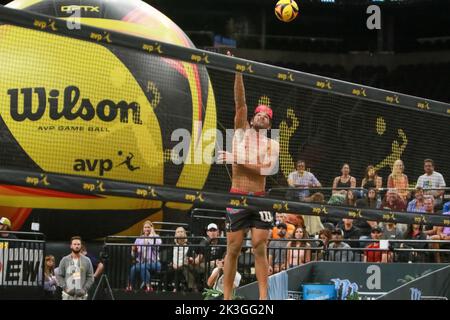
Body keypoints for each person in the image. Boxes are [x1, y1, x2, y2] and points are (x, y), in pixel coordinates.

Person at [218, 51, 279, 301]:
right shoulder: (241, 131)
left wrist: (237, 159)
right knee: (232, 248)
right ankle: (227, 299)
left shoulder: (271, 145)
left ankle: (264, 300)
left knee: (259, 247)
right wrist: (238, 71)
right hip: (237, 194)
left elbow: (264, 169)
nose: (262, 117)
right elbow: (240, 102)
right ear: (253, 117)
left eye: (267, 116)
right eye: (259, 114)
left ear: (269, 124)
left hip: (260, 197)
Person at [127, 220, 162, 292]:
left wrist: (151, 235)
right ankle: (130, 286)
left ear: (152, 228)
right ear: (143, 229)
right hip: (141, 263)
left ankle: (148, 286)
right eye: (145, 227)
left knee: (143, 266)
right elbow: (133, 255)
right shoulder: (139, 239)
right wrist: (133, 251)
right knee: (133, 268)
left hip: (154, 263)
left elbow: (155, 246)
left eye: (148, 227)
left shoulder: (156, 237)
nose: (146, 229)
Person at [56, 236, 94, 300]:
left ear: (81, 246)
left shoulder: (87, 260)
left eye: (78, 244)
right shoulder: (64, 260)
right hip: (68, 295)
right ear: (71, 246)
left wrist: (84, 289)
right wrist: (65, 288)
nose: (77, 246)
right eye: (75, 244)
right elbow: (59, 275)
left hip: (81, 296)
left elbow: (90, 277)